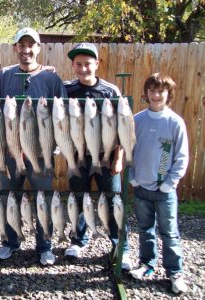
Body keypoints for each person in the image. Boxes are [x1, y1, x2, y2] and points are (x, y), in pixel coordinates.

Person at [0, 27, 67, 266]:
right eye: (21, 45)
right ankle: (10, 242)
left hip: (41, 152)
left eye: (31, 45)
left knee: (44, 199)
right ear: (15, 48)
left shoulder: (51, 79)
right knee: (9, 197)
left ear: (38, 48)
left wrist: (54, 148)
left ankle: (45, 246)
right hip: (10, 152)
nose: (26, 49)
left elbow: (62, 116)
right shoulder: (3, 76)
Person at [63, 42, 132, 270]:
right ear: (73, 65)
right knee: (79, 198)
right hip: (78, 156)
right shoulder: (67, 89)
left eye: (88, 64)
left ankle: (120, 246)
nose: (83, 69)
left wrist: (119, 157)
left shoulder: (111, 91)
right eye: (78, 64)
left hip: (106, 158)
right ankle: (78, 240)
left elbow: (122, 128)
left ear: (97, 64)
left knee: (114, 201)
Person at [129, 73, 189, 294]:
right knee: (145, 230)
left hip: (164, 190)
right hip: (141, 187)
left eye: (161, 91)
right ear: (146, 93)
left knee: (169, 232)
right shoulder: (137, 120)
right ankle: (147, 264)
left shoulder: (175, 122)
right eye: (152, 91)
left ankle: (175, 272)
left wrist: (170, 182)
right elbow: (130, 150)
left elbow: (181, 157)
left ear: (168, 94)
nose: (156, 95)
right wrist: (133, 177)